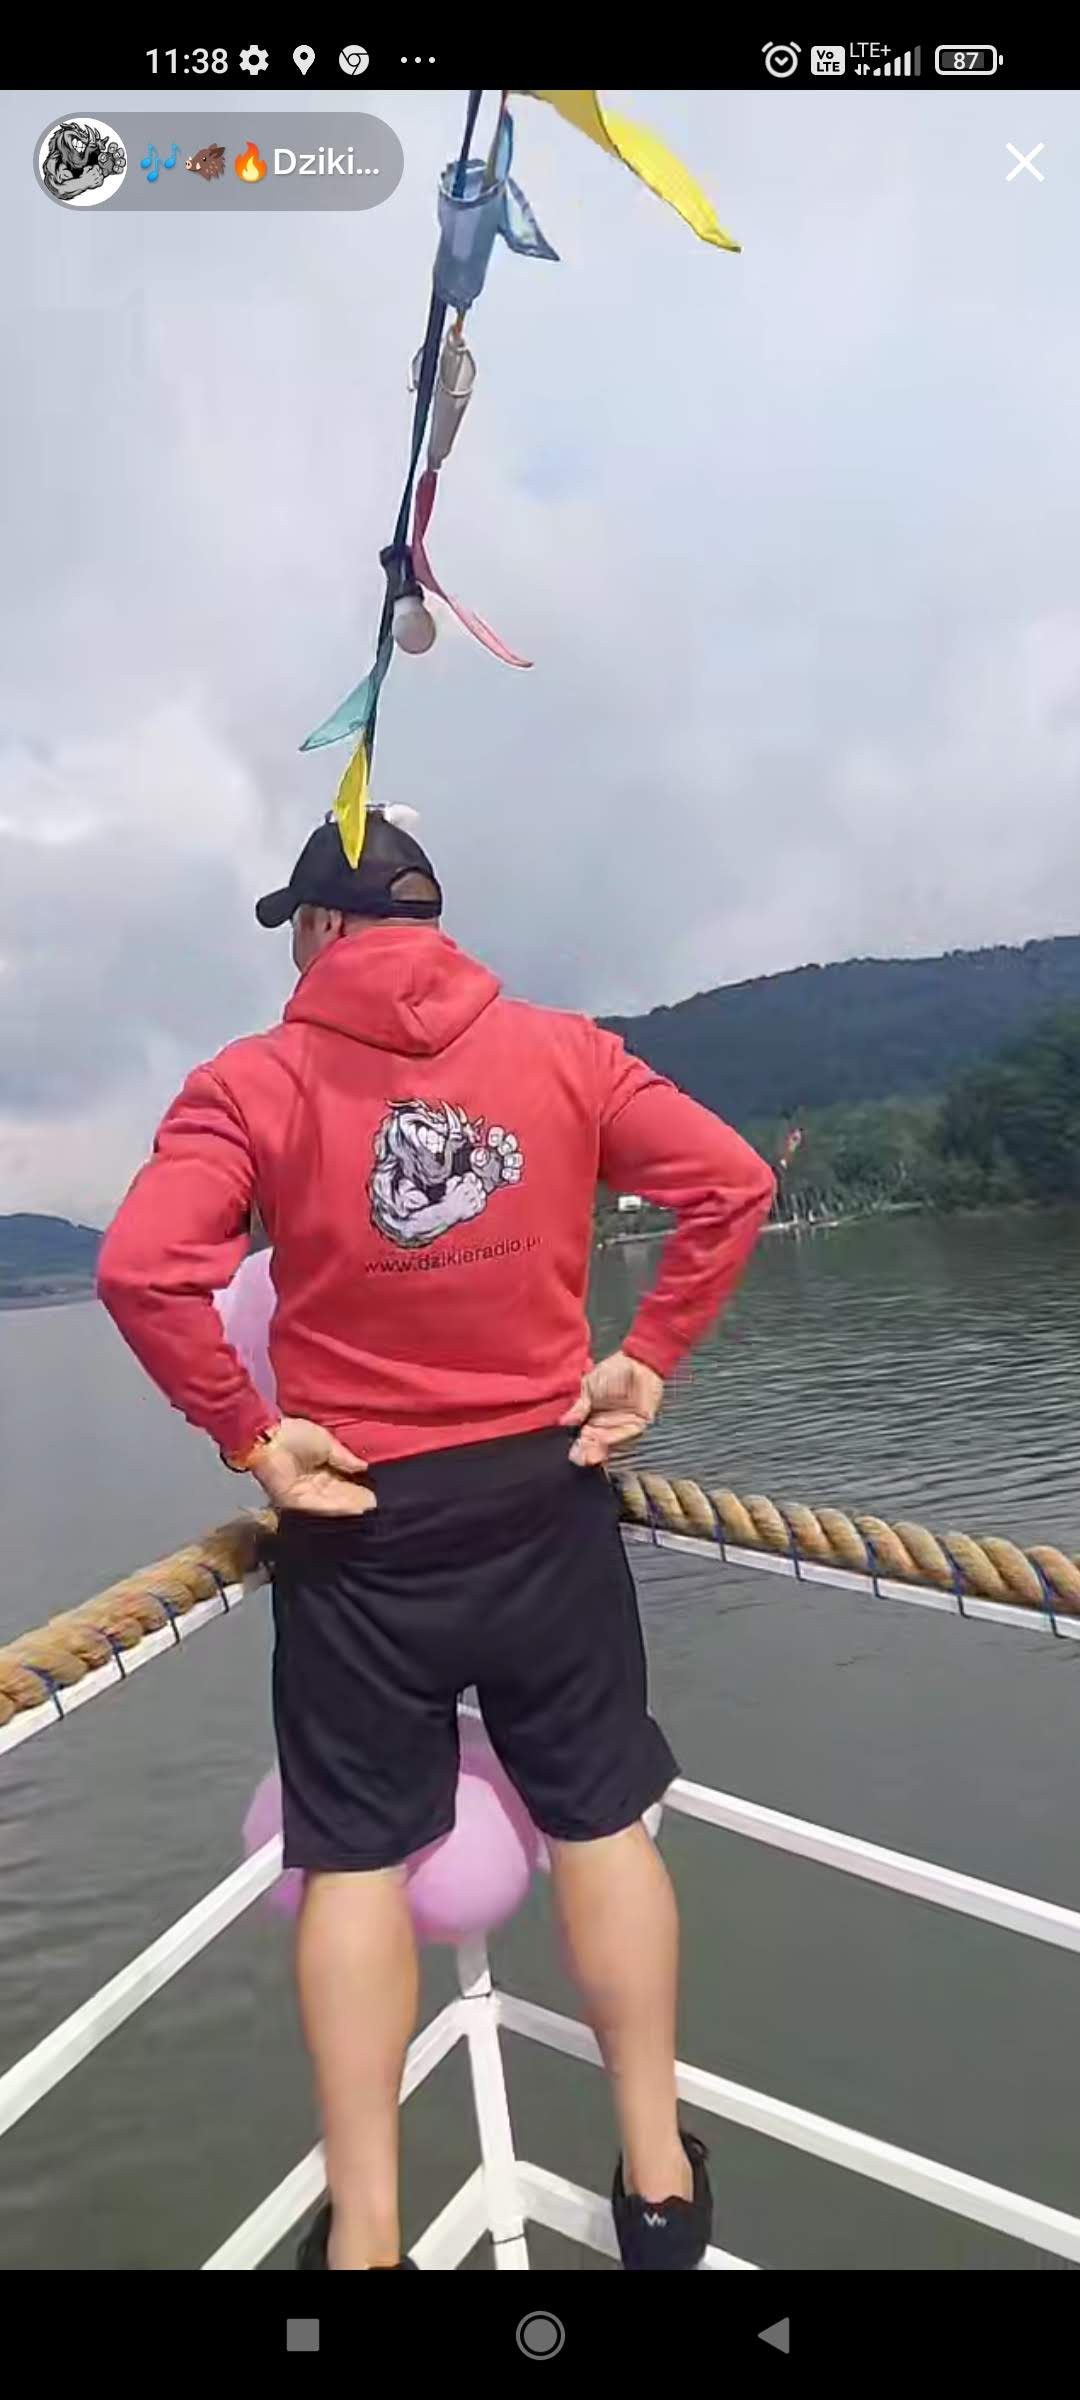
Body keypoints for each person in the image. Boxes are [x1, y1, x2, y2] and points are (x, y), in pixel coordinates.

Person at [97, 806, 775, 2272]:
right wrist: (650, 1356)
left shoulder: (251, 1081)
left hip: (361, 1527)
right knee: (599, 1823)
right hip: (547, 1500)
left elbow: (144, 1270)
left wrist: (249, 1434)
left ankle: (368, 2243)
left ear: (321, 929)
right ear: (434, 921)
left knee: (353, 1863)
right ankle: (660, 2188)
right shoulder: (570, 1053)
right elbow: (733, 1184)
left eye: (295, 932)